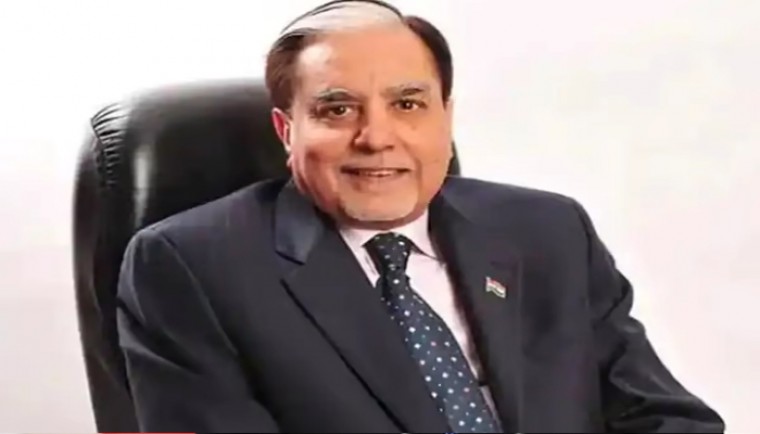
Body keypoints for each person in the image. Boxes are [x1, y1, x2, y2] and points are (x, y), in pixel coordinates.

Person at [116, 0, 725, 432]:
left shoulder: (548, 231)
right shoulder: (192, 267)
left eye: (408, 104)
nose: (377, 137)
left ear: (445, 117)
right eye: (337, 109)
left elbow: (664, 418)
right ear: (287, 130)